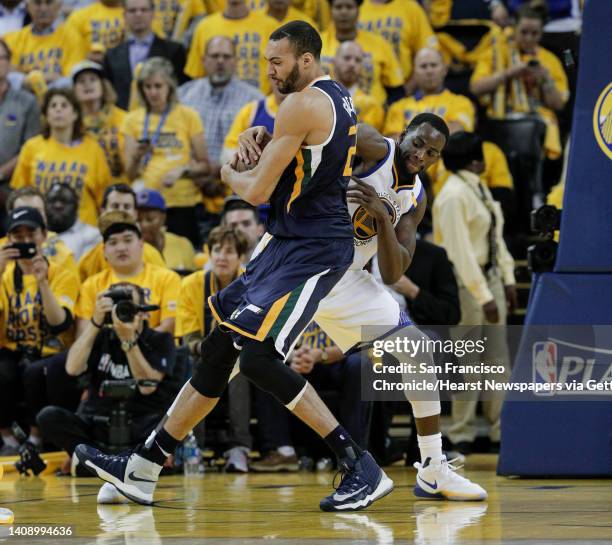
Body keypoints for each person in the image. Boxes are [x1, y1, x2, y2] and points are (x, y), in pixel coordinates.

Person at [75, 21, 392, 513]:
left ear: (306, 60)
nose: (269, 71)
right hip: (287, 240)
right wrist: (266, 138)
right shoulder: (333, 96)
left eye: (278, 62)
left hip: (312, 247)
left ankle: (359, 466)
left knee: (259, 355)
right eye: (267, 61)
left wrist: (229, 171)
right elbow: (308, 157)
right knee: (219, 349)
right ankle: (143, 467)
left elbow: (258, 191)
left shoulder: (301, 102)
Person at [37, 282, 178, 478]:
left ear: (144, 312)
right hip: (99, 427)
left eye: (128, 306)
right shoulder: (100, 336)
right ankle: (111, 462)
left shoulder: (160, 339)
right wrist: (95, 323)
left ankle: (93, 463)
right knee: (48, 416)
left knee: (167, 426)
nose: (121, 312)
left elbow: (148, 386)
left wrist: (128, 341)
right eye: (116, 307)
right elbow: (72, 368)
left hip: (139, 428)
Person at [433, 131, 515, 455]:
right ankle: (461, 431)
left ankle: (501, 428)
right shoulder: (453, 195)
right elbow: (459, 252)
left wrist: (507, 277)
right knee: (468, 361)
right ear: (476, 160)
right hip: (467, 283)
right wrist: (484, 296)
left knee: (497, 360)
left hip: (490, 276)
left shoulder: (477, 187)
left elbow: (497, 236)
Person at [0, 207, 79, 455]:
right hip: (12, 348)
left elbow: (59, 323)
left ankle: (36, 438)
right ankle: (8, 438)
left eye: (30, 234)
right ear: (9, 240)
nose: (24, 241)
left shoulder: (62, 272)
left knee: (36, 371)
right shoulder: (4, 275)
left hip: (50, 349)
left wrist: (43, 282)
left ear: (44, 235)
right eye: (17, 236)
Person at [176, 225, 254, 473]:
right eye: (217, 250)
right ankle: (193, 447)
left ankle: (239, 448)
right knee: (194, 364)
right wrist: (212, 341)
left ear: (240, 257)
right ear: (209, 254)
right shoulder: (191, 285)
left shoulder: (252, 284)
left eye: (229, 251)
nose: (222, 256)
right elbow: (188, 340)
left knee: (240, 368)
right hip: (201, 353)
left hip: (239, 354)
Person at [123, 56, 210, 246]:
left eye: (158, 86)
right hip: (147, 205)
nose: (153, 92)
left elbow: (205, 166)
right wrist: (137, 156)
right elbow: (129, 174)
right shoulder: (131, 120)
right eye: (147, 87)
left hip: (181, 203)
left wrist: (182, 170)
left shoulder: (188, 116)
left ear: (169, 86)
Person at [470, 5, 569, 160]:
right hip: (500, 117)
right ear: (514, 28)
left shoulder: (549, 60)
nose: (529, 38)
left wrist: (545, 79)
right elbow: (476, 88)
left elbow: (559, 104)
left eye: (534, 33)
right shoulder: (496, 52)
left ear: (542, 33)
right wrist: (509, 73)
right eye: (524, 32)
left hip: (536, 119)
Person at [178, 35, 263, 215]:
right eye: (215, 56)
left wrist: (218, 173)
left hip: (237, 196)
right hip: (189, 193)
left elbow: (260, 150)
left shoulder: (254, 100)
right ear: (203, 60)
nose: (220, 61)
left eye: (226, 56)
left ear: (235, 61)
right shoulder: (184, 95)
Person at [10, 88, 112, 227]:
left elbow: (103, 198)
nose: (58, 109)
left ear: (75, 113)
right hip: (41, 228)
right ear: (46, 114)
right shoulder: (31, 147)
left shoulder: (93, 148)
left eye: (64, 105)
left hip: (84, 230)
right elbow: (20, 194)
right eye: (53, 106)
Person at [75, 210, 181, 336]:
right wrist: (97, 319)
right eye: (113, 242)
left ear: (141, 244)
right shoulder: (91, 285)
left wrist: (133, 342)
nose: (121, 248)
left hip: (153, 350)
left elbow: (169, 327)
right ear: (104, 250)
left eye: (128, 240)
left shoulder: (167, 278)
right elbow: (81, 334)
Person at [103, 0, 187, 110]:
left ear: (153, 13)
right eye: (132, 11)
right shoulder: (111, 55)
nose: (138, 14)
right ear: (124, 15)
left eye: (144, 10)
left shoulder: (174, 50)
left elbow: (183, 88)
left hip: (164, 118)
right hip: (123, 120)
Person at [320, 0, 404, 104]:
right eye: (338, 7)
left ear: (358, 11)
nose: (344, 12)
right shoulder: (317, 43)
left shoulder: (380, 44)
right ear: (331, 11)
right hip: (326, 112)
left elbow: (396, 91)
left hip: (372, 115)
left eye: (349, 7)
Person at [77, 184, 166, 282]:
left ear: (135, 213)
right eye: (115, 206)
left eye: (127, 207)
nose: (121, 211)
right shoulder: (89, 260)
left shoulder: (151, 255)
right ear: (103, 211)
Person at [185, 0, 278, 92]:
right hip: (216, 102)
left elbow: (280, 72)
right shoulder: (204, 27)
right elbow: (197, 75)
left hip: (260, 102)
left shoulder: (270, 27)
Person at [384, 47, 475, 138]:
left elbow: (457, 131)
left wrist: (414, 139)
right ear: (414, 72)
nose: (429, 71)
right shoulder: (398, 107)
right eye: (423, 66)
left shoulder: (461, 103)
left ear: (445, 70)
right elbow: (392, 138)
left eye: (433, 65)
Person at [4, 0, 87, 83]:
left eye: (49, 2)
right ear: (27, 6)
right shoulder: (11, 39)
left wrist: (32, 78)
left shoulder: (73, 37)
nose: (43, 8)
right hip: (23, 92)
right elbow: (9, 74)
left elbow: (71, 77)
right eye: (37, 3)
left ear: (59, 5)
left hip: (59, 92)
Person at [358, 0, 437, 84]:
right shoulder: (356, 7)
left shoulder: (410, 8)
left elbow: (428, 53)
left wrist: (408, 88)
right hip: (364, 89)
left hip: (404, 85)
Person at [72, 60, 126, 183]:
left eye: (93, 79)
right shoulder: (71, 122)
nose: (87, 85)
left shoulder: (123, 118)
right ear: (73, 89)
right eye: (81, 81)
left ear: (103, 85)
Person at [0, 38, 40, 191]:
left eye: (1, 58)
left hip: (11, 185)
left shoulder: (27, 101)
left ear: (9, 62)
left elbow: (29, 147)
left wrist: (2, 173)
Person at [222, 78, 285, 164]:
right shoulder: (252, 110)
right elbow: (227, 155)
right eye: (277, 64)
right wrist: (247, 156)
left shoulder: (307, 111)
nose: (282, 77)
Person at [135, 189, 195, 273]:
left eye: (150, 219)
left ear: (163, 218)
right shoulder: (130, 251)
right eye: (138, 220)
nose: (144, 225)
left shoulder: (183, 244)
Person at [332, 41, 384, 131]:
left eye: (358, 60)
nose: (352, 64)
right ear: (334, 61)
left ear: (362, 66)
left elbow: (367, 140)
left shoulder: (371, 104)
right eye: (347, 58)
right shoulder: (318, 95)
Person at [45, 182, 101, 261]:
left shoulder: (91, 235)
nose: (58, 206)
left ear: (76, 206)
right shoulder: (36, 234)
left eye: (64, 201)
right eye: (52, 201)